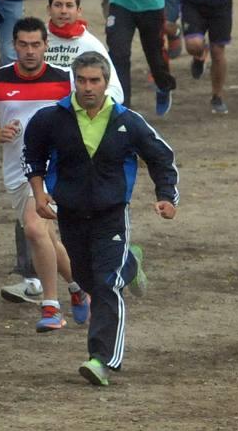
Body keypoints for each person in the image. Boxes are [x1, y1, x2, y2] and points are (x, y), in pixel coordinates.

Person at [22, 52, 179, 387]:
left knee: (107, 286)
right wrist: (38, 193)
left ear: (107, 83)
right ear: (73, 82)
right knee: (86, 279)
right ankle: (131, 265)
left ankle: (101, 359)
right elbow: (32, 154)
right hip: (71, 214)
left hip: (111, 215)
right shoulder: (51, 119)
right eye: (82, 80)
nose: (88, 87)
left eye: (95, 81)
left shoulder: (128, 121)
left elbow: (161, 157)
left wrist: (166, 196)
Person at [0, 17, 83, 327]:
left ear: (46, 46)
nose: (29, 51)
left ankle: (51, 307)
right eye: (23, 45)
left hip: (54, 170)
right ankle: (81, 289)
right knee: (46, 237)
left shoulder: (67, 80)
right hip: (16, 172)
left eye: (36, 45)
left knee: (33, 227)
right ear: (13, 45)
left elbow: (90, 118)